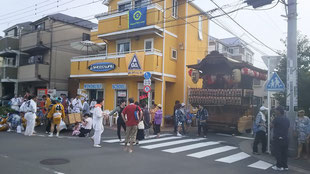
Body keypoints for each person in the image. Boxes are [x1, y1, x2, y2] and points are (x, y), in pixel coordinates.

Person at [271, 106, 290, 171]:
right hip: (285, 138)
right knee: (284, 153)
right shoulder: (287, 119)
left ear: (279, 111)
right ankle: (285, 166)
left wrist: (272, 120)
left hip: (278, 138)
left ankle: (279, 166)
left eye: (276, 110)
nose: (275, 111)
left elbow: (271, 126)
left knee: (278, 152)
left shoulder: (277, 118)